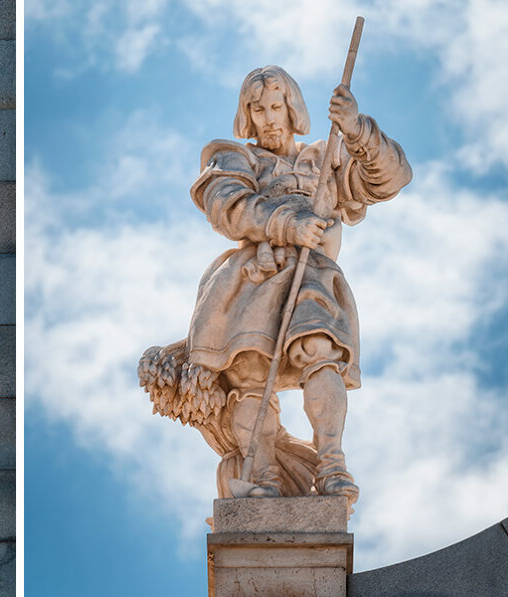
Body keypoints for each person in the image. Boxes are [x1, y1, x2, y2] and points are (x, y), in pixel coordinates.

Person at [139, 66, 411, 504]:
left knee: (320, 352)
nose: (268, 118)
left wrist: (357, 129)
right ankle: (262, 475)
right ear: (246, 114)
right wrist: (286, 223)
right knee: (249, 374)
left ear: (293, 108)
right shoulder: (233, 157)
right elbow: (227, 207)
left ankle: (332, 463)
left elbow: (391, 179)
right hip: (252, 277)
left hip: (312, 276)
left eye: (275, 107)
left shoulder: (325, 158)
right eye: (258, 108)